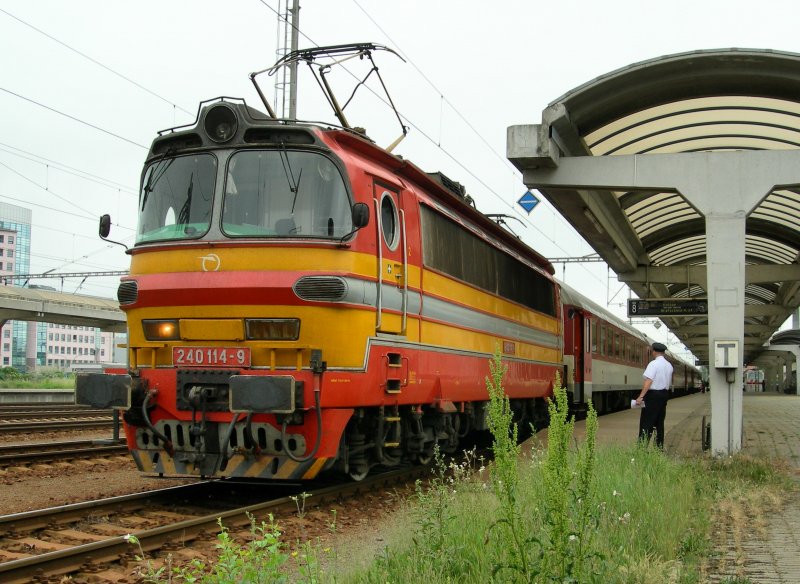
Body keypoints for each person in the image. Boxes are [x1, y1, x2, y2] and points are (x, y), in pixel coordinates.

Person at [635, 342, 674, 448]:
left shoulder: (653, 364)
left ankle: (642, 447)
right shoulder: (669, 365)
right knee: (659, 422)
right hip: (664, 395)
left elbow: (649, 380)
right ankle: (659, 447)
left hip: (653, 395)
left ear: (654, 352)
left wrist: (641, 396)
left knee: (647, 422)